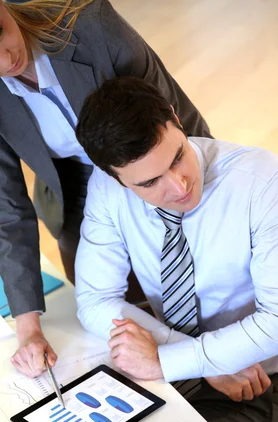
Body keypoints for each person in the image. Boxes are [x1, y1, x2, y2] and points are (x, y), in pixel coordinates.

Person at [74, 76, 278, 422]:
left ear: (174, 118)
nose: (180, 184)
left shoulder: (259, 179)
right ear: (116, 177)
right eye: (151, 182)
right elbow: (94, 301)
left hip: (261, 380)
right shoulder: (108, 188)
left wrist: (168, 360)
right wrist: (191, 360)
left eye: (178, 156)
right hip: (178, 366)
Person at [0, 0, 210, 379]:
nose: (5, 60)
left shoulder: (92, 25)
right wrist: (28, 328)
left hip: (153, 163)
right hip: (74, 186)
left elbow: (170, 125)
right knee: (112, 318)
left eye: (0, 33)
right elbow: (8, 207)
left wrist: (235, 209)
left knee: (199, 288)